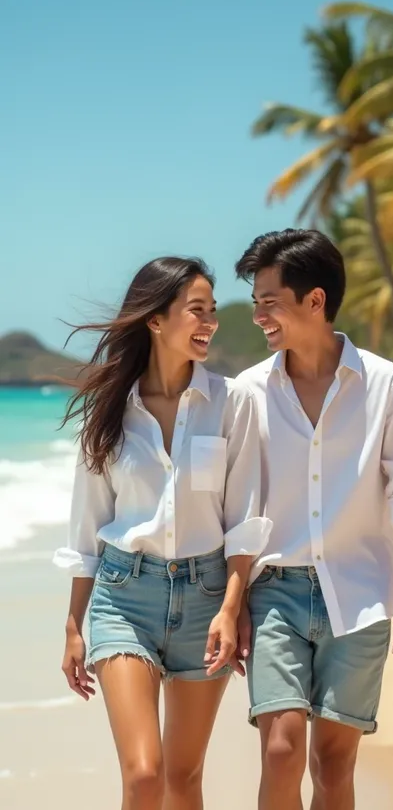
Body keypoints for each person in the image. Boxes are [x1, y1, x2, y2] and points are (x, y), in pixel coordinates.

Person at [54, 256, 271, 810]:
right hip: (124, 597)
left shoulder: (233, 401)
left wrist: (231, 607)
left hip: (206, 599)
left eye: (213, 312)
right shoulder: (107, 411)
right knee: (145, 776)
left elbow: (244, 519)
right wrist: (74, 626)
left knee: (183, 777)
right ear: (155, 320)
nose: (210, 323)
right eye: (196, 310)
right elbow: (87, 529)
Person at [234, 229, 393, 810]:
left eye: (268, 301)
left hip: (361, 592)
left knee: (334, 762)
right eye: (255, 303)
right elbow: (242, 507)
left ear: (315, 300)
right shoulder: (249, 391)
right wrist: (232, 603)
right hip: (274, 592)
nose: (258, 317)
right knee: (280, 751)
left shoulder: (387, 384)